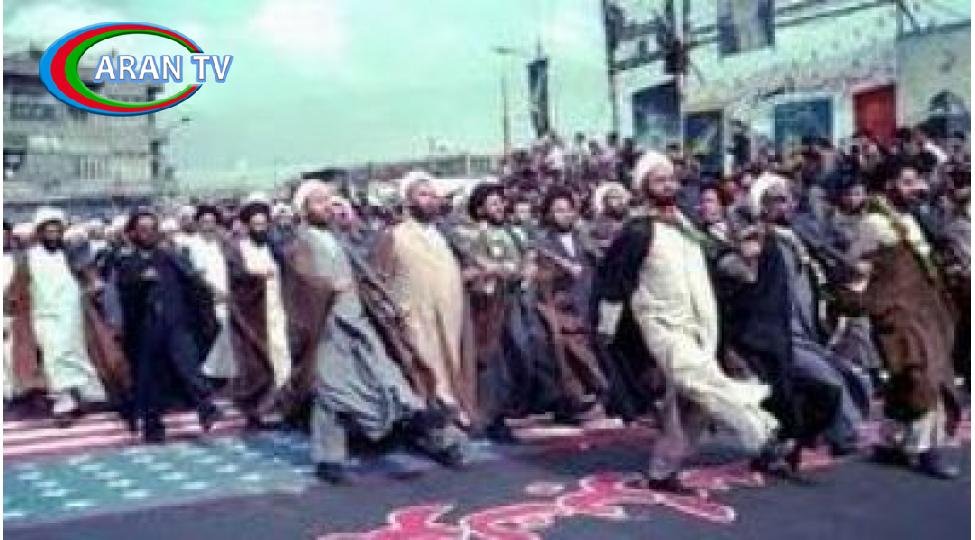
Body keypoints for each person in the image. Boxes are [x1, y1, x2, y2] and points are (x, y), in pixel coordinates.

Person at [596, 151, 782, 493]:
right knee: (699, 377)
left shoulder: (684, 223)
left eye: (671, 179)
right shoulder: (638, 230)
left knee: (691, 404)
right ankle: (759, 424)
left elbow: (715, 256)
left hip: (700, 323)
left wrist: (742, 261)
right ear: (644, 186)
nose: (668, 185)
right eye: (659, 180)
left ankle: (662, 470)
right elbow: (613, 281)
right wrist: (607, 329)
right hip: (661, 324)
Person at [293, 180, 466, 483]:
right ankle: (329, 460)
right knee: (331, 393)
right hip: (326, 327)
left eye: (329, 200)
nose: (327, 206)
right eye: (318, 202)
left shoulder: (338, 238)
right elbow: (300, 282)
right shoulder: (301, 242)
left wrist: (384, 301)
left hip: (357, 320)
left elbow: (366, 271)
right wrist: (327, 287)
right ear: (304, 210)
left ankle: (426, 425)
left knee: (388, 374)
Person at [843, 164, 962, 479]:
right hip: (897, 312)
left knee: (906, 380)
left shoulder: (911, 218)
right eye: (907, 182)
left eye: (916, 181)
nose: (915, 188)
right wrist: (865, 300)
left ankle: (892, 441)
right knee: (922, 374)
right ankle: (927, 449)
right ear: (888, 185)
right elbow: (856, 266)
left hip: (924, 309)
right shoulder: (873, 223)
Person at [373, 171, 478, 429]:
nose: (431, 200)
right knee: (424, 369)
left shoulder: (443, 236)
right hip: (414, 318)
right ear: (408, 201)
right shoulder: (394, 235)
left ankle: (455, 409)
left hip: (449, 316)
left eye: (433, 195)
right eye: (423, 195)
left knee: (452, 363)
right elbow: (378, 278)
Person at [108, 208, 223, 443]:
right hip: (145, 328)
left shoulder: (170, 256)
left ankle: (206, 408)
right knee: (150, 378)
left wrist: (208, 294)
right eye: (143, 229)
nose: (149, 234)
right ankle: (152, 425)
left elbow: (193, 281)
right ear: (132, 233)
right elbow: (123, 290)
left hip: (175, 322)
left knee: (188, 366)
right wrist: (140, 280)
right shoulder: (126, 261)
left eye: (152, 229)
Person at [5, 208, 121, 425]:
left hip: (73, 314)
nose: (53, 234)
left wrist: (93, 286)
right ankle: (64, 402)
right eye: (48, 231)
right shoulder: (28, 257)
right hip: (44, 316)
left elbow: (90, 278)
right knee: (55, 357)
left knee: (76, 354)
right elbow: (17, 287)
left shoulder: (70, 254)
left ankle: (82, 395)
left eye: (56, 230)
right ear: (40, 232)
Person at [533, 188, 609, 424]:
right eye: (558, 210)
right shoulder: (542, 243)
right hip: (560, 309)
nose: (564, 215)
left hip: (587, 302)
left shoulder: (584, 238)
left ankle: (597, 397)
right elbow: (540, 278)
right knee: (568, 357)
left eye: (568, 210)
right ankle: (572, 402)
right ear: (548, 214)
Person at [219, 194, 294, 425]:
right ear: (248, 226)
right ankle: (256, 409)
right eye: (256, 225)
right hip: (252, 315)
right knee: (257, 362)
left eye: (264, 224)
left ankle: (283, 405)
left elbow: (287, 271)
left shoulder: (274, 247)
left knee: (282, 357)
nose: (260, 229)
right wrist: (257, 277)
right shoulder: (237, 249)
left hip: (277, 309)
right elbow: (236, 278)